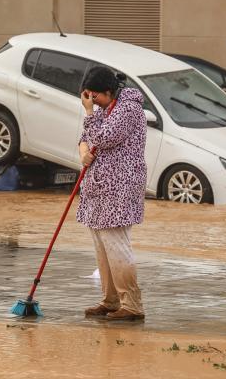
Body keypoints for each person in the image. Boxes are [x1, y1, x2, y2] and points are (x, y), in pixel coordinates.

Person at [77, 66, 147, 321]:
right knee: (102, 246)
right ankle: (110, 300)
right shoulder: (107, 109)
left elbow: (103, 137)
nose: (92, 102)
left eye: (94, 97)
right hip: (98, 188)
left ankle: (132, 304)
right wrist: (82, 151)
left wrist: (88, 113)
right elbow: (86, 137)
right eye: (88, 98)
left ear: (108, 91)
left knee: (116, 245)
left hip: (120, 187)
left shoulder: (129, 109)